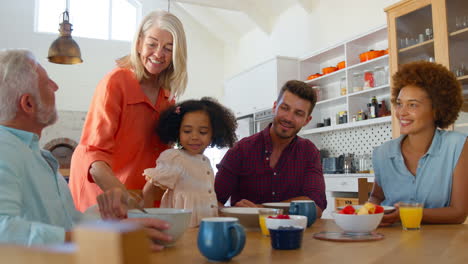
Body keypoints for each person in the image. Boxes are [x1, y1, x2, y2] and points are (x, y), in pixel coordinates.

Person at [0, 49, 171, 249]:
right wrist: (102, 238)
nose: (55, 86)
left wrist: (114, 226)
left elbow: (69, 225)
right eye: (47, 83)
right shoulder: (4, 149)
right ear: (28, 104)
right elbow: (4, 230)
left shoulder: (37, 156)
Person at [69, 10, 188, 212]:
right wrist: (125, 199)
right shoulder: (116, 83)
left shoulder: (167, 97)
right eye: (152, 44)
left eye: (168, 48)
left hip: (139, 196)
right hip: (102, 192)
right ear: (139, 43)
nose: (159, 53)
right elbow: (94, 155)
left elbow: (163, 159)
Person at [369, 61, 468, 225]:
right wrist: (368, 213)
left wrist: (409, 214)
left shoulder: (457, 146)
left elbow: (459, 213)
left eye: (412, 105)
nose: (402, 112)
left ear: (436, 109)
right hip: (390, 241)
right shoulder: (383, 153)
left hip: (440, 244)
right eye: (399, 104)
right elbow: (377, 197)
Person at [214, 80, 327, 217]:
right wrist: (236, 212)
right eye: (284, 108)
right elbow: (213, 202)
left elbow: (316, 205)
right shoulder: (241, 150)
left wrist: (263, 210)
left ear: (307, 120)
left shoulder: (309, 152)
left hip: (293, 234)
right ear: (275, 107)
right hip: (248, 235)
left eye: (298, 113)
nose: (289, 118)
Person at [142, 97, 237, 227]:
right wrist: (148, 224)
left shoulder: (205, 161)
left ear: (213, 134)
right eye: (187, 131)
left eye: (203, 132)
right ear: (177, 131)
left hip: (204, 230)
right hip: (180, 230)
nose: (194, 137)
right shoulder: (175, 158)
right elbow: (148, 191)